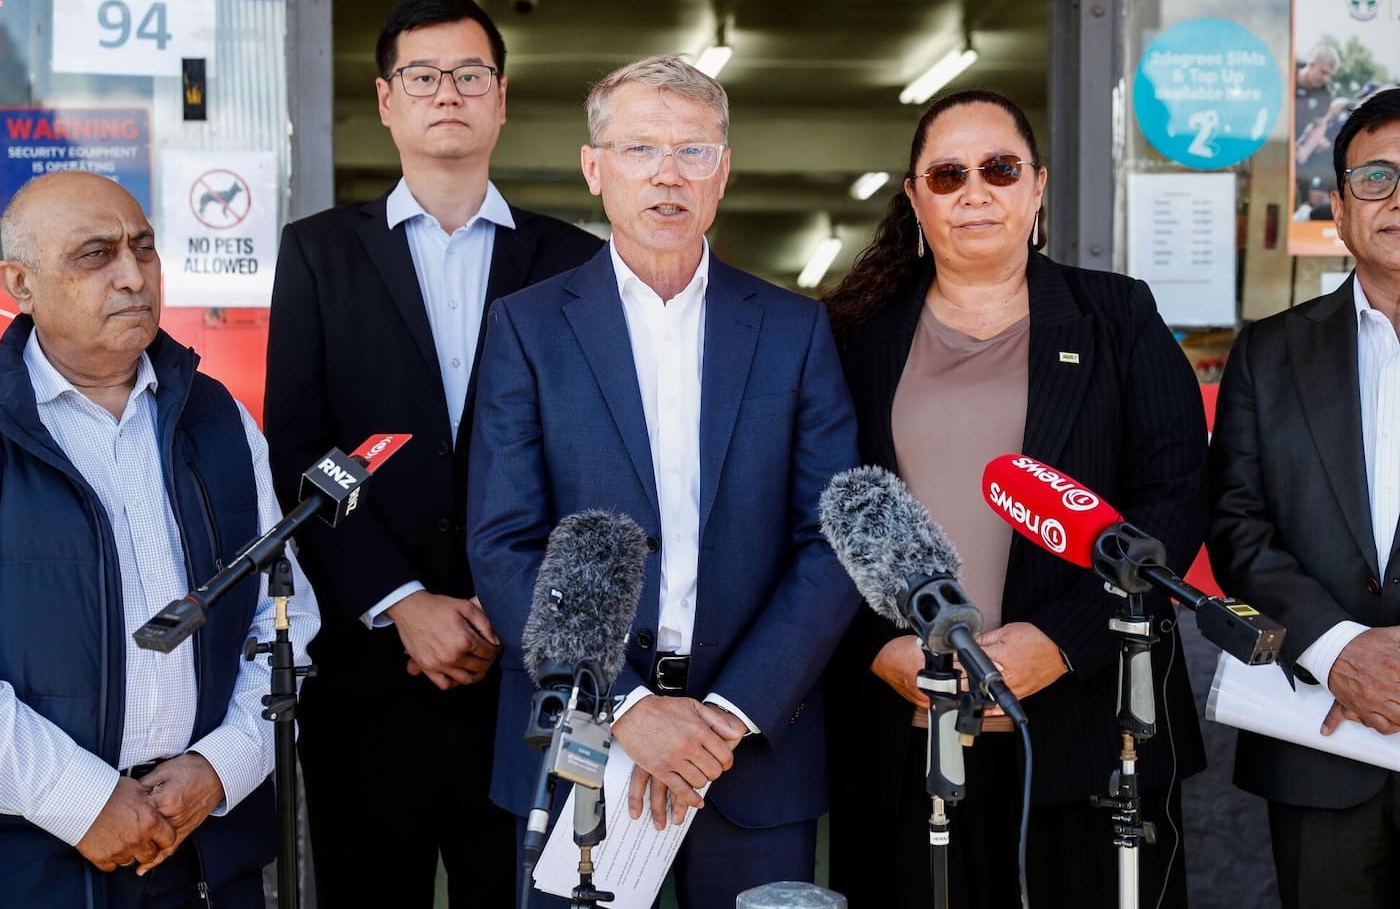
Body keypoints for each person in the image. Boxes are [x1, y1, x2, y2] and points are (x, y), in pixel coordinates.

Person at [466, 55, 860, 908]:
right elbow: (504, 544)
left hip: (751, 752)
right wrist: (632, 707)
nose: (667, 176)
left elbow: (831, 539)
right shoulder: (528, 329)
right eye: (640, 148)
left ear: (724, 171)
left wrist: (729, 715)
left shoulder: (794, 330)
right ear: (594, 167)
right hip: (581, 742)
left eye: (694, 151)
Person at [821, 89, 1208, 909]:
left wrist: (1061, 641)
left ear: (1036, 187)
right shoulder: (857, 337)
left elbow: (1173, 496)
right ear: (915, 196)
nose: (975, 191)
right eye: (948, 173)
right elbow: (817, 516)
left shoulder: (1117, 315)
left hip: (1088, 732)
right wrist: (873, 649)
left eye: (999, 169)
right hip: (908, 733)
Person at [265, 0, 601, 909]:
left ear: (500, 99)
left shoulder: (574, 262)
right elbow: (299, 447)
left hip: (526, 681)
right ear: (386, 101)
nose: (446, 92)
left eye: (469, 75)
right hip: (372, 676)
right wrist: (401, 601)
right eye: (422, 75)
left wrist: (510, 607)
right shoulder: (319, 255)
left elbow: (592, 457)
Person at [0, 170, 319, 907]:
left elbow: (283, 616)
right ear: (19, 284)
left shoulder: (213, 417)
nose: (132, 276)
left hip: (206, 852)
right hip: (25, 858)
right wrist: (79, 796)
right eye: (95, 255)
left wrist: (221, 767)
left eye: (144, 249)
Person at [1209, 87, 1400, 909]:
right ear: (1338, 202)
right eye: (1377, 177)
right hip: (1325, 735)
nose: (1399, 200)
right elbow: (1236, 526)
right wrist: (1338, 650)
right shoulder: (1271, 351)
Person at [1296, 44, 1341, 204]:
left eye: (1329, 74)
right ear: (1312, 64)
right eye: (1323, 72)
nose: (1325, 78)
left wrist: (1305, 151)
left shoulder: (1325, 92)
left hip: (1295, 146)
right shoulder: (1288, 71)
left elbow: (1320, 125)